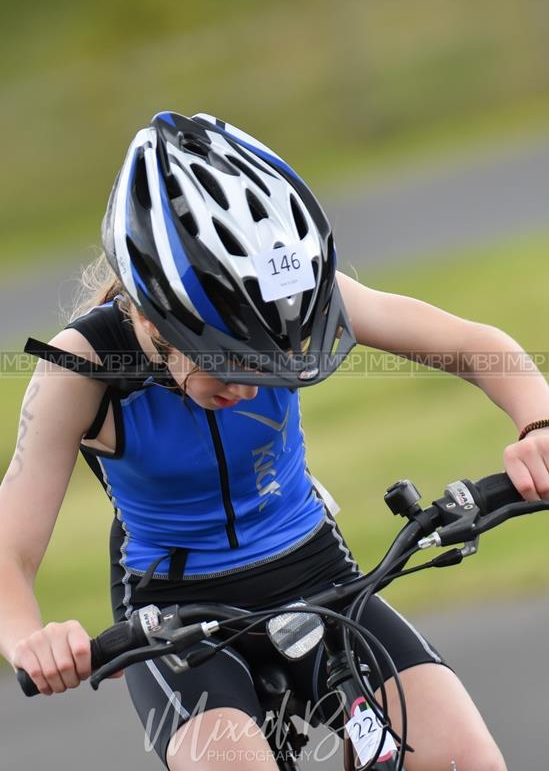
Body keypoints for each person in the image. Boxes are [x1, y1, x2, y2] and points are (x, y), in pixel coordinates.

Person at [1, 110, 548, 771]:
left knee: (465, 761)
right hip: (174, 614)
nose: (256, 387)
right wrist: (28, 637)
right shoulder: (84, 365)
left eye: (277, 362)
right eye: (228, 366)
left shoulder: (284, 302)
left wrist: (537, 424)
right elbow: (10, 547)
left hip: (315, 570)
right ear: (151, 315)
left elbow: (475, 347)